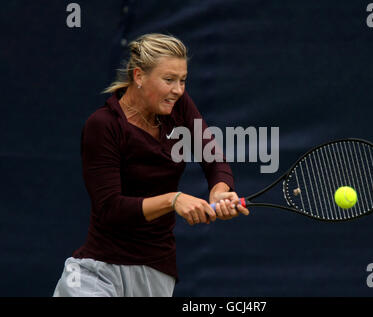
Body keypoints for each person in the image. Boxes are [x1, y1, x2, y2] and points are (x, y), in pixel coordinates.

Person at [53, 33, 249, 297]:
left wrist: (219, 190)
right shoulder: (103, 126)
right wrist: (172, 200)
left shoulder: (178, 107)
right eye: (169, 80)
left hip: (156, 272)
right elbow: (110, 208)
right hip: (97, 271)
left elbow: (213, 158)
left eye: (183, 81)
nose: (178, 90)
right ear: (138, 76)